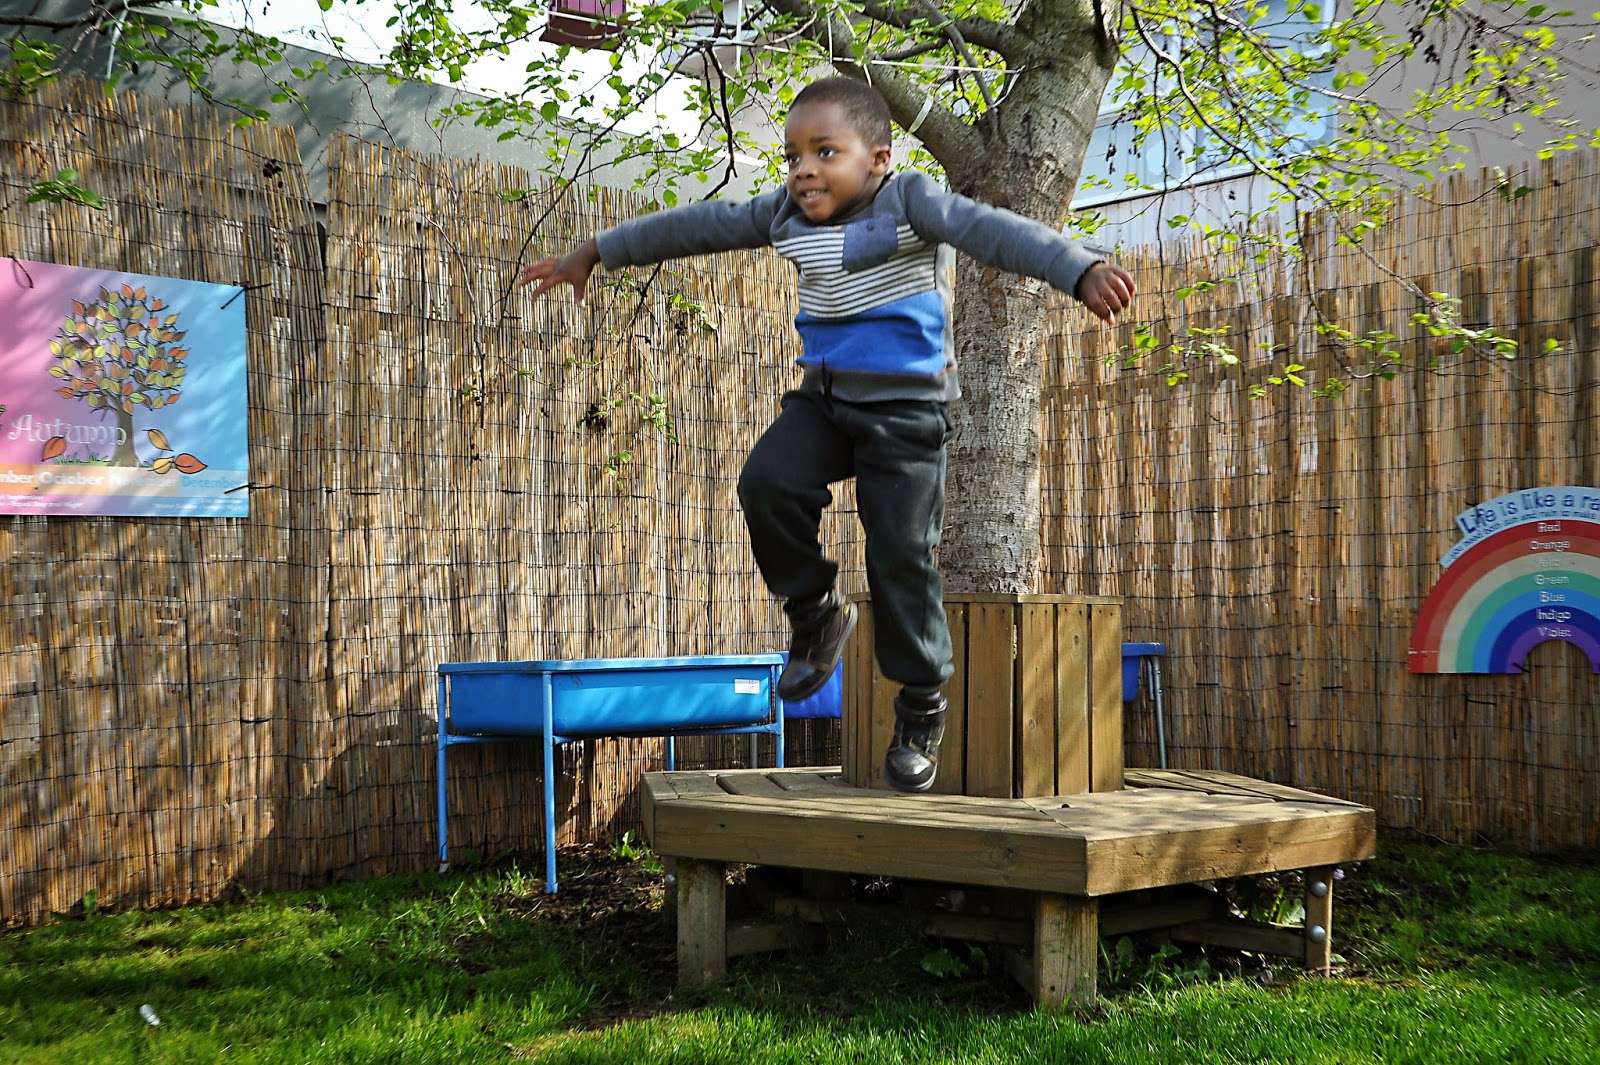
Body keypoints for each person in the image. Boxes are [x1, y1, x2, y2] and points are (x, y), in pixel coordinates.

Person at [518, 76, 1135, 793]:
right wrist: (597, 250)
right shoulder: (784, 214)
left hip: (908, 411)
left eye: (825, 152)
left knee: (899, 554)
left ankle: (921, 706)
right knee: (766, 484)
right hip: (827, 399)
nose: (803, 170)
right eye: (793, 156)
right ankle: (815, 615)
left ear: (878, 159)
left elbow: (997, 232)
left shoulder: (912, 202)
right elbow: (697, 225)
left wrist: (1079, 268)